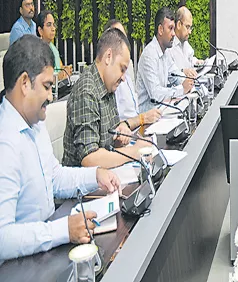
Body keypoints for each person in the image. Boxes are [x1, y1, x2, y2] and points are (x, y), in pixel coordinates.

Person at [0, 35, 120, 262]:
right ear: (25, 83)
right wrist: (63, 230)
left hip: (43, 251)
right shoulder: (5, 142)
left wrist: (96, 176)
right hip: (19, 267)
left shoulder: (33, 125)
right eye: (46, 86)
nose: (50, 96)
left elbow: (54, 178)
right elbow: (2, 238)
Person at [62, 28, 151, 168]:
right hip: (86, 186)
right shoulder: (87, 92)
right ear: (108, 56)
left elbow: (107, 142)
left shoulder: (107, 86)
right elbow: (89, 159)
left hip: (106, 177)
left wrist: (119, 139)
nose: (123, 78)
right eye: (122, 69)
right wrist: (134, 152)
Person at [104, 20, 161, 128]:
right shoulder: (109, 79)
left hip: (137, 127)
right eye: (118, 38)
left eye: (124, 37)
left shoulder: (127, 67)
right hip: (128, 131)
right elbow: (113, 128)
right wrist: (141, 119)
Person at [136, 7, 194, 112]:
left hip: (162, 111)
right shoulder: (149, 55)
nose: (173, 33)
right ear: (160, 30)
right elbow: (156, 94)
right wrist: (181, 89)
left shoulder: (165, 52)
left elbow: (175, 75)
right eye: (170, 28)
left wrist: (188, 83)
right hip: (147, 120)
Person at [34, 9, 72, 80]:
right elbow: (42, 80)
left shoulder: (53, 48)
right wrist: (58, 77)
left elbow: (59, 68)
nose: (53, 28)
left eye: (53, 25)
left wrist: (66, 70)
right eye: (49, 25)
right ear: (40, 30)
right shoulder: (37, 51)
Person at [168, 6, 202, 76]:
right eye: (187, 27)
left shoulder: (185, 43)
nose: (190, 32)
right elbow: (169, 73)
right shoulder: (169, 45)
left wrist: (197, 62)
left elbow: (189, 59)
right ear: (179, 24)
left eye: (191, 28)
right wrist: (183, 71)